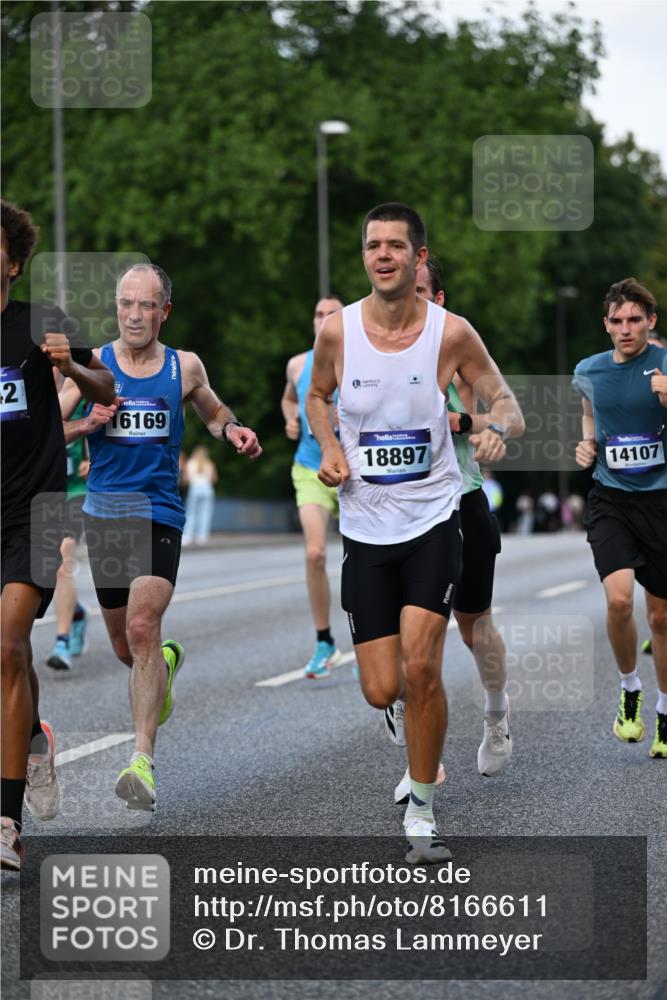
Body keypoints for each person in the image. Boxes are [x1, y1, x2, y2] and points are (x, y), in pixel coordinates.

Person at [307, 203, 523, 862]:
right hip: (365, 530)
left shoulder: (451, 333)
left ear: (416, 257)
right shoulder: (338, 333)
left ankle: (423, 814)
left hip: (434, 520)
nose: (382, 255)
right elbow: (317, 396)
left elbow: (505, 400)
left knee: (423, 664)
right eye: (372, 245)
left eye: (395, 246)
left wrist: (494, 426)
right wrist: (328, 446)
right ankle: (408, 727)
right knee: (381, 685)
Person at [59, 262, 262, 813]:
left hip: (159, 513)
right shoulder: (91, 365)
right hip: (105, 516)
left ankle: (141, 759)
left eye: (146, 305)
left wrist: (234, 430)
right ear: (117, 307)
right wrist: (86, 425)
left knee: (144, 626)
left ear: (163, 312)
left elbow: (214, 412)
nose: (134, 315)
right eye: (127, 303)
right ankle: (165, 665)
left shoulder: (183, 366)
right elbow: (49, 431)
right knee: (127, 647)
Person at [1, 200, 115, 871]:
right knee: (6, 659)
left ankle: (6, 823)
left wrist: (69, 365)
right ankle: (33, 739)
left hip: (35, 512)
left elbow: (106, 386)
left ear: (12, 262)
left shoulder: (41, 323)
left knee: (8, 642)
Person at [388, 256, 515, 804]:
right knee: (412, 640)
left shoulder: (457, 350)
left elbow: (503, 414)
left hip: (460, 506)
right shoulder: (375, 345)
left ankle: (496, 711)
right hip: (396, 511)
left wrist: (468, 425)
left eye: (420, 291)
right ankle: (425, 765)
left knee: (473, 630)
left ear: (437, 299)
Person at [573, 277, 667, 758]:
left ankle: (665, 712)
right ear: (606, 324)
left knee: (661, 615)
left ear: (651, 322)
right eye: (617, 321)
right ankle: (630, 688)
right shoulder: (589, 371)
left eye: (636, 320)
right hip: (611, 496)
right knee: (617, 601)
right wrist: (588, 443)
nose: (626, 328)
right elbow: (591, 416)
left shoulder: (666, 364)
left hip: (662, 500)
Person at [281, 296, 345, 678]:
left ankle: (375, 640)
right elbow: (290, 400)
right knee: (315, 553)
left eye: (331, 314)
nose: (323, 320)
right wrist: (291, 419)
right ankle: (324, 641)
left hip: (355, 471)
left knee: (365, 562)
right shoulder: (297, 364)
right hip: (310, 467)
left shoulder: (360, 357)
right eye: (318, 314)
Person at [46, 398, 90, 671]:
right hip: (40, 493)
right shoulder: (27, 394)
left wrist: (94, 461)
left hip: (74, 493)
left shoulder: (81, 395)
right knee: (40, 570)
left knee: (63, 563)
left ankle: (61, 642)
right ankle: (76, 611)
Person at [182, 445, 217, 546]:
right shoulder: (210, 464)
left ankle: (187, 536)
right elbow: (214, 479)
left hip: (195, 488)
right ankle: (202, 536)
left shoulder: (190, 463)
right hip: (207, 488)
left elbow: (186, 480)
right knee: (205, 513)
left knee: (191, 513)